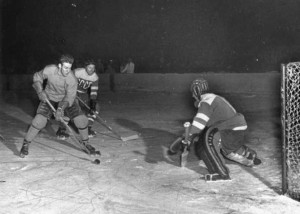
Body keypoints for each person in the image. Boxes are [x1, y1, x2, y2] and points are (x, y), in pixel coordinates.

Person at [168, 78, 261, 181]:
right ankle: (249, 155)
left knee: (209, 138)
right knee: (217, 146)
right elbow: (203, 126)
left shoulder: (206, 102)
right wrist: (189, 137)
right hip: (234, 130)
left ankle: (221, 173)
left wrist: (189, 136)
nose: (192, 96)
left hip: (231, 128)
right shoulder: (213, 99)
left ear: (196, 92)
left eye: (193, 93)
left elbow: (199, 124)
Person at [20, 54, 99, 157]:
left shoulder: (72, 79)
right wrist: (40, 91)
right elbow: (37, 76)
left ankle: (86, 143)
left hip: (66, 100)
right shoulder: (50, 69)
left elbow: (70, 98)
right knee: (39, 121)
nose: (68, 70)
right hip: (49, 98)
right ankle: (26, 143)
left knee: (82, 120)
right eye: (65, 68)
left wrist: (60, 109)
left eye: (70, 68)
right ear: (60, 66)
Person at [56, 58, 99, 139]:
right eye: (90, 67)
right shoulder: (78, 72)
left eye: (93, 68)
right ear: (85, 67)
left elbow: (94, 91)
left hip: (83, 94)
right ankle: (61, 129)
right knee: (71, 108)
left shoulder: (95, 77)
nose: (91, 70)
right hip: (73, 92)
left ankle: (88, 129)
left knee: (95, 108)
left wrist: (92, 103)